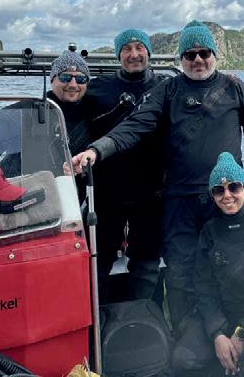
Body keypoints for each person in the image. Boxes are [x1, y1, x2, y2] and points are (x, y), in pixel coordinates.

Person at [72, 20, 244, 330]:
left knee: (228, 264)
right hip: (179, 199)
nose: (198, 60)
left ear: (214, 55)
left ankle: (230, 331)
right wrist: (97, 150)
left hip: (224, 196)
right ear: (181, 59)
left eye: (204, 53)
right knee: (180, 271)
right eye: (190, 54)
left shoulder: (234, 87)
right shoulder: (167, 90)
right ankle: (185, 332)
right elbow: (135, 126)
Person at [172, 152, 244, 377]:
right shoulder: (209, 232)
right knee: (183, 360)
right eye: (219, 190)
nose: (227, 196)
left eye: (234, 187)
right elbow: (204, 286)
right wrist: (217, 333)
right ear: (213, 196)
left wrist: (243, 331)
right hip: (223, 315)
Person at [82, 28, 168, 303]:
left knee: (147, 260)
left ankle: (143, 314)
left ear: (148, 52)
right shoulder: (97, 88)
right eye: (127, 49)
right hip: (108, 192)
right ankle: (97, 315)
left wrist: (227, 81)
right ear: (118, 55)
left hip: (152, 191)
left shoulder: (168, 86)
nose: (134, 54)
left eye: (139, 48)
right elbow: (66, 102)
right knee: (99, 259)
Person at [0, 50, 92, 192]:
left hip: (75, 194)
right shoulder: (26, 111)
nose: (73, 84)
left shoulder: (95, 112)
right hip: (25, 193)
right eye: (65, 77)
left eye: (80, 79)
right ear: (52, 79)